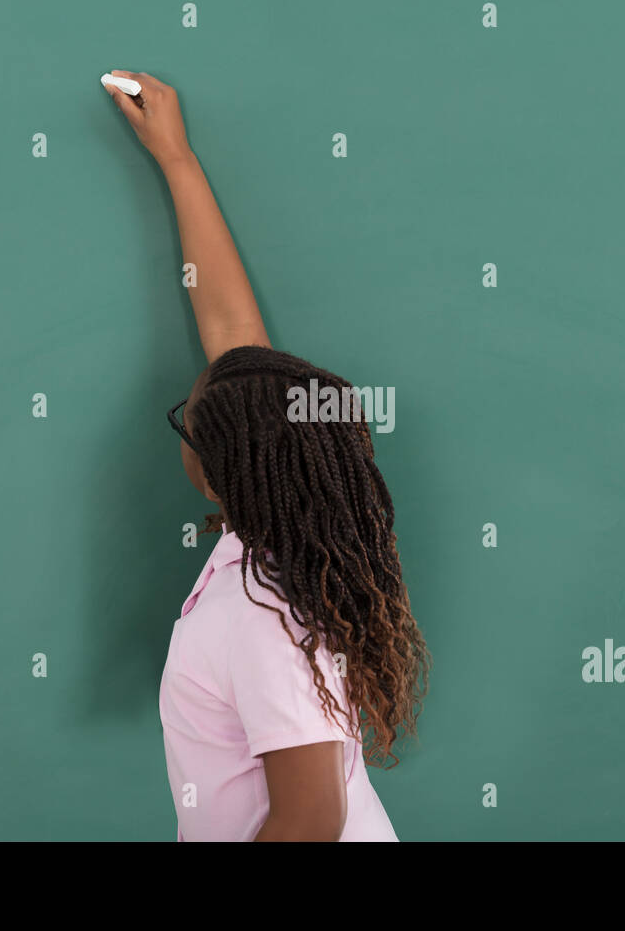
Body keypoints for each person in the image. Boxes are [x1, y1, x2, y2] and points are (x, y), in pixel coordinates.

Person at [102, 70, 431, 841]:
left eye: (192, 418)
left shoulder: (260, 614)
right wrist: (178, 160)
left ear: (220, 471)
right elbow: (236, 344)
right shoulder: (280, 548)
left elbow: (311, 821)